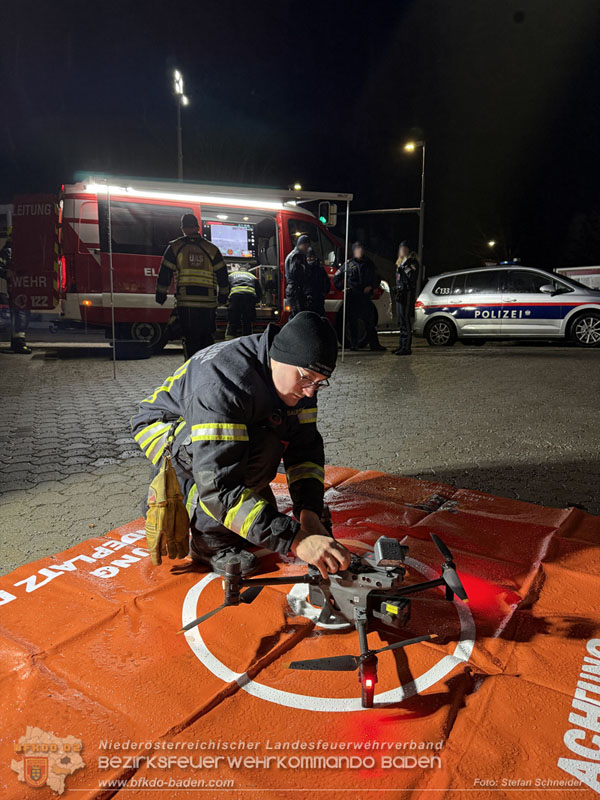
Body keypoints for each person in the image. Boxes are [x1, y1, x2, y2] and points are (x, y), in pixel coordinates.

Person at [131, 311, 352, 579]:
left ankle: (232, 509)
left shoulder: (298, 376)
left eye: (319, 383)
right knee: (260, 446)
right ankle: (210, 543)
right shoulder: (224, 381)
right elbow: (220, 488)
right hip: (169, 431)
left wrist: (309, 513)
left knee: (259, 455)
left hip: (219, 426)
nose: (310, 391)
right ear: (279, 359)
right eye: (307, 378)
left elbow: (304, 450)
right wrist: (298, 540)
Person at [155, 213, 229, 360]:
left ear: (182, 228)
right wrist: (223, 297)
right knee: (207, 338)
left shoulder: (175, 248)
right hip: (208, 303)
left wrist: (160, 295)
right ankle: (207, 369)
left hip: (186, 302)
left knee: (190, 338)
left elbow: (165, 273)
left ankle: (190, 370)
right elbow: (223, 275)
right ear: (197, 227)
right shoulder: (211, 248)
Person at [333, 241, 385, 351]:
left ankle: (374, 345)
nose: (359, 251)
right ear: (354, 251)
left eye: (361, 248)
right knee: (352, 322)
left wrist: (371, 286)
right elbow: (336, 277)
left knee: (369, 322)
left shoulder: (369, 264)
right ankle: (354, 344)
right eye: (357, 249)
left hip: (365, 298)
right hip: (352, 297)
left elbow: (377, 278)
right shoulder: (348, 264)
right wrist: (342, 288)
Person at [0, 233, 32, 354]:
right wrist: (6, 273)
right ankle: (19, 344)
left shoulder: (18, 250)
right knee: (20, 314)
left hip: (21, 286)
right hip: (16, 287)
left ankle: (17, 343)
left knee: (22, 313)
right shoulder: (9, 251)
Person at [394, 241, 419, 355]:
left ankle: (406, 347)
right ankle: (401, 345)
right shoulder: (399, 263)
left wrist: (405, 269)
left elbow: (412, 277)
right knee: (400, 320)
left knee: (405, 319)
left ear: (408, 250)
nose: (402, 250)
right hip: (400, 294)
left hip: (407, 294)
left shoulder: (412, 262)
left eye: (404, 248)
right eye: (401, 248)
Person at [225, 266, 262, 339]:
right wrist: (256, 301)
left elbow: (226, 287)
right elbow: (259, 291)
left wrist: (226, 300)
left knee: (233, 320)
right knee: (247, 321)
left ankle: (229, 339)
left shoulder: (232, 275)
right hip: (249, 297)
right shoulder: (252, 276)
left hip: (236, 296)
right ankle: (247, 341)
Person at [284, 234, 311, 318]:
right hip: (295, 290)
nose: (307, 249)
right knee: (298, 316)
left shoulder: (293, 254)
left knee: (295, 314)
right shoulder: (297, 256)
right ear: (302, 245)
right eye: (306, 246)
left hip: (293, 289)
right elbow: (295, 273)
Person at [304, 248, 331, 317]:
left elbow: (327, 282)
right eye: (308, 257)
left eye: (311, 257)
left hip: (318, 298)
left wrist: (323, 293)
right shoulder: (304, 269)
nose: (309, 259)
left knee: (319, 317)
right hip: (308, 299)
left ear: (315, 257)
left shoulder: (320, 269)